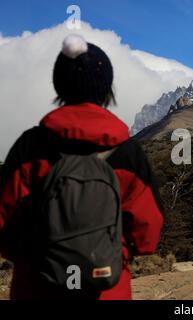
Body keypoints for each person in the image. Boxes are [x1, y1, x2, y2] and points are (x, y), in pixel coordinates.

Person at [0, 35, 164, 300]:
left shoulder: (29, 147)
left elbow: (4, 224)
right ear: (107, 89)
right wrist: (110, 252)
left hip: (37, 288)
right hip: (107, 289)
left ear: (59, 86)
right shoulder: (128, 153)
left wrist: (38, 253)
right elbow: (148, 234)